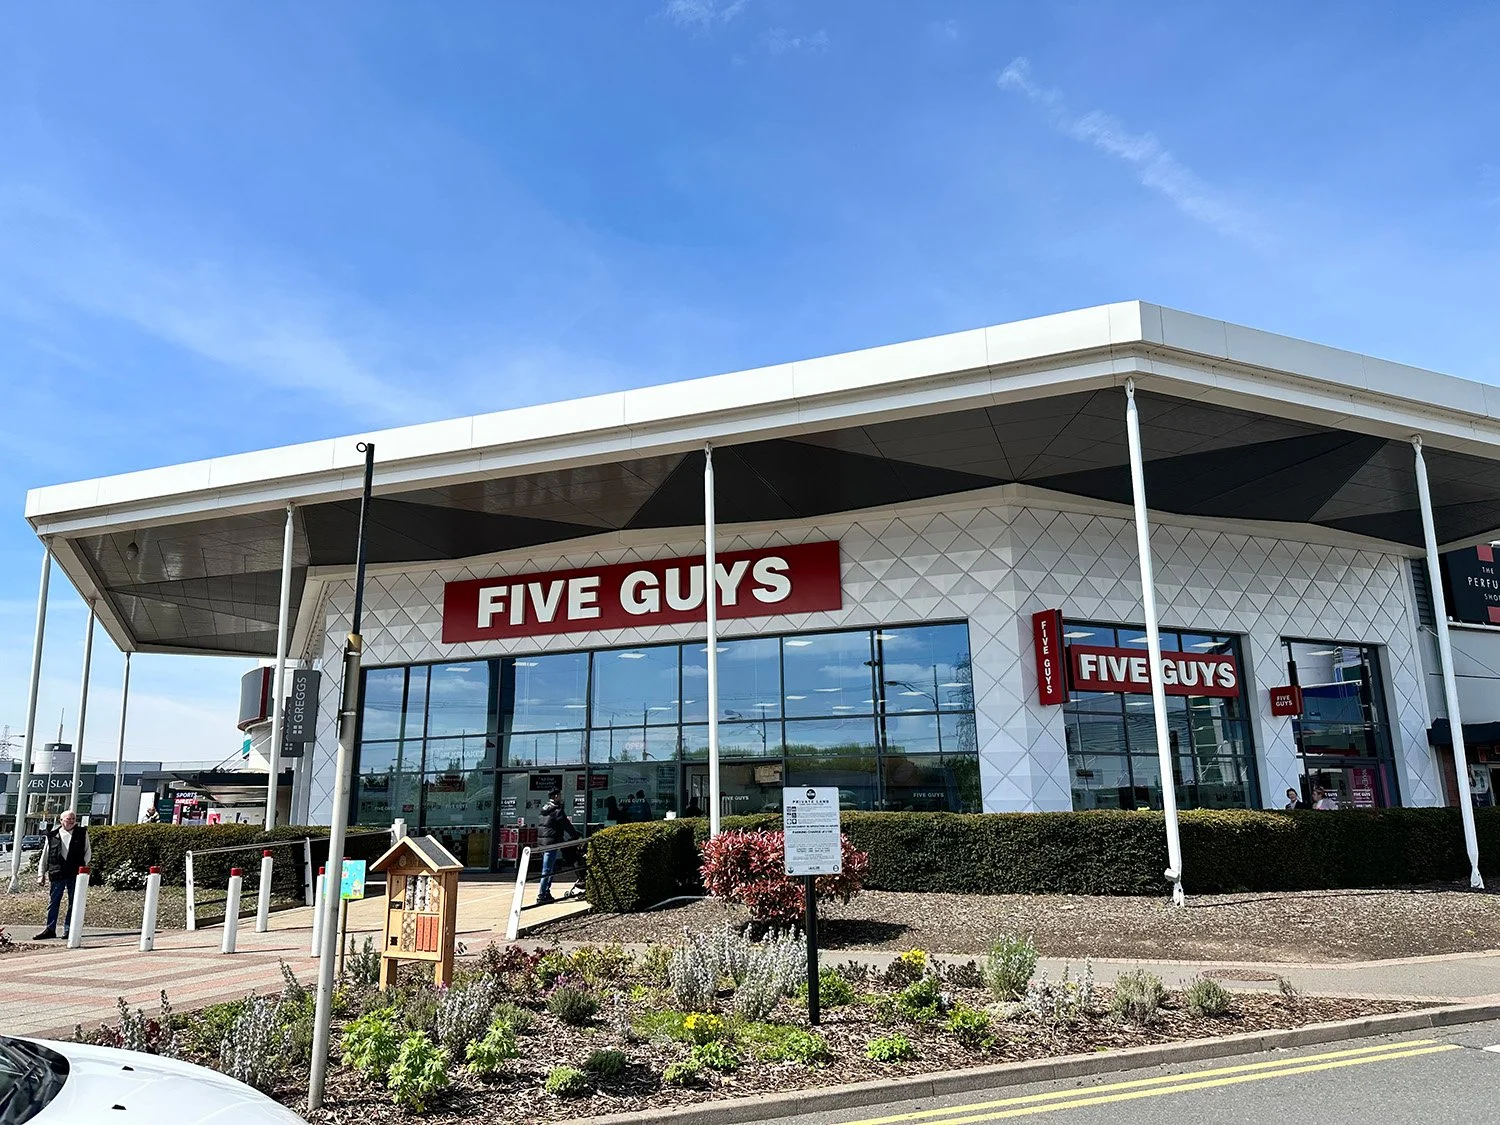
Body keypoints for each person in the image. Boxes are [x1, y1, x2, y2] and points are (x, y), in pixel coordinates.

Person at [34, 810, 90, 941]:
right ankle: (50, 928)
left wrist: (83, 866)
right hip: (57, 873)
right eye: (68, 819)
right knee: (53, 902)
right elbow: (45, 856)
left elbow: (87, 852)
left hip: (74, 873)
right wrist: (41, 874)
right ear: (61, 820)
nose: (71, 821)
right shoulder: (52, 835)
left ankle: (68, 928)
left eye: (73, 819)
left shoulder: (82, 833)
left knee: (73, 902)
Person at [535, 788, 579, 905]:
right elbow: (566, 825)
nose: (561, 797)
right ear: (555, 796)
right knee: (547, 869)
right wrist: (575, 835)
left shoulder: (544, 809)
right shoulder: (556, 810)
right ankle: (542, 895)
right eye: (559, 795)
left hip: (543, 843)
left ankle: (546, 892)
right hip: (551, 843)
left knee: (550, 868)